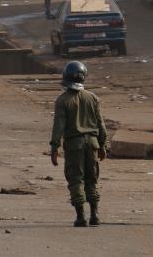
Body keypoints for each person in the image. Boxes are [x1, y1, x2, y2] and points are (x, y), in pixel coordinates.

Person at [50, 61, 108, 228]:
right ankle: (95, 215)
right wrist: (103, 145)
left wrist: (54, 148)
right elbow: (101, 124)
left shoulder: (62, 101)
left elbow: (58, 127)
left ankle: (80, 217)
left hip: (74, 145)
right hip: (93, 143)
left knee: (76, 179)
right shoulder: (93, 98)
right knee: (92, 179)